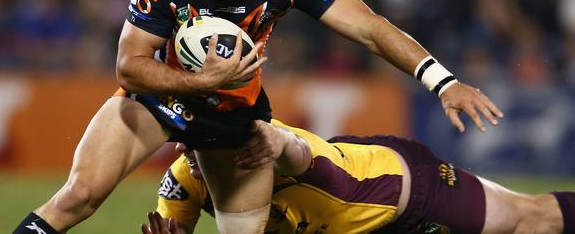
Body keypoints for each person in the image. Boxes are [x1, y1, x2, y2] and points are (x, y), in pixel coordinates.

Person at [13, 0, 503, 234]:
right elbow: (128, 65)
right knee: (78, 196)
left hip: (235, 123)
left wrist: (443, 82)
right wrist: (201, 80)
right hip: (158, 98)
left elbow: (369, 28)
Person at [142, 119, 575, 234]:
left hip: (402, 190)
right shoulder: (185, 179)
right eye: (184, 136)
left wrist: (279, 143)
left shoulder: (267, 143)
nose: (184, 149)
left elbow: (297, 152)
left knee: (529, 221)